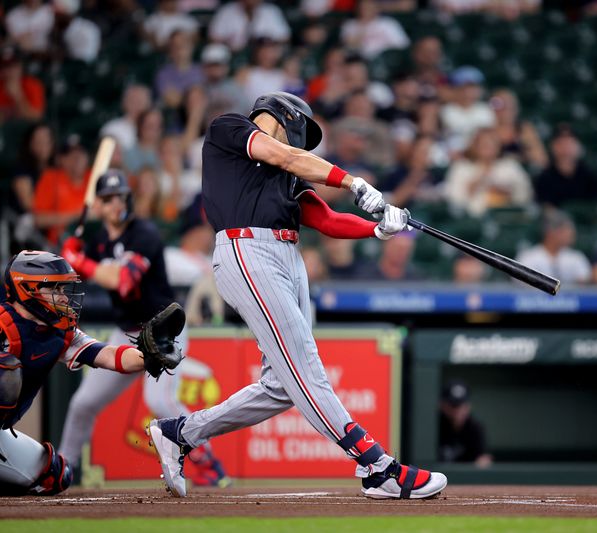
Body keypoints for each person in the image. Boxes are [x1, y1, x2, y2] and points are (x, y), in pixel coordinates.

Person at [147, 92, 447, 500]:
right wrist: (354, 181)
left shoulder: (286, 175)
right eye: (299, 134)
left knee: (281, 386)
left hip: (288, 258)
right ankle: (378, 467)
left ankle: (179, 433)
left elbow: (324, 218)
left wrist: (377, 229)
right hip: (247, 248)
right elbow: (283, 155)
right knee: (306, 367)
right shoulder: (230, 129)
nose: (299, 143)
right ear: (286, 117)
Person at [58, 170, 229, 488]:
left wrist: (78, 260)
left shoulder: (145, 233)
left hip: (163, 329)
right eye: (107, 199)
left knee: (161, 402)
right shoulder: (97, 243)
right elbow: (68, 271)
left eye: (119, 197)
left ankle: (208, 464)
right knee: (83, 403)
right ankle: (63, 469)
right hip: (125, 333)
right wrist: (68, 251)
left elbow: (123, 282)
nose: (115, 204)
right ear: (98, 205)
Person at [0, 251, 161, 495]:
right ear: (28, 289)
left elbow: (108, 355)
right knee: (6, 370)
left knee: (56, 475)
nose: (64, 298)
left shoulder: (59, 332)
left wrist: (151, 356)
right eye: (55, 289)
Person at [443, 127, 532, 216]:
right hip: (473, 219)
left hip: (508, 216)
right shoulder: (461, 167)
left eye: (492, 143)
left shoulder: (510, 166)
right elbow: (454, 199)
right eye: (484, 144)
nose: (488, 147)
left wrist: (508, 192)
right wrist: (472, 187)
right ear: (475, 146)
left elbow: (525, 193)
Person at [32, 136, 90, 244]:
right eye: (70, 154)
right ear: (61, 159)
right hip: (61, 245)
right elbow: (38, 219)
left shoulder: (94, 176)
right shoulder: (51, 178)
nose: (76, 158)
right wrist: (77, 217)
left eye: (81, 153)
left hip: (93, 241)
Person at [534, 123, 597, 207]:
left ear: (578, 146)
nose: (566, 148)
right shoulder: (544, 178)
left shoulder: (590, 176)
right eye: (561, 143)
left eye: (570, 142)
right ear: (553, 146)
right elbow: (545, 207)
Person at [516, 210, 591, 284]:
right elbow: (519, 284)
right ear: (550, 232)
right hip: (536, 296)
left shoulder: (576, 257)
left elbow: (586, 284)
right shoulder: (529, 257)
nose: (570, 235)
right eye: (563, 231)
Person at [440, 66, 496, 154]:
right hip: (451, 156)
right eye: (464, 87)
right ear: (455, 89)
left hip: (479, 155)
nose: (469, 92)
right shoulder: (446, 110)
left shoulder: (485, 110)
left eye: (473, 87)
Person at [438, 381, 492, 467]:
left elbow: (484, 459)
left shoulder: (475, 427)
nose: (458, 410)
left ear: (468, 406)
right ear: (442, 405)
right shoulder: (435, 426)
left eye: (462, 405)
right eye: (453, 405)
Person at [208, 0, 290, 52]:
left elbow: (285, 37)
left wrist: (266, 41)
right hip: (233, 54)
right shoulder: (226, 11)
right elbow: (213, 37)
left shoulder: (271, 11)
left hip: (264, 54)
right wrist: (229, 44)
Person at [340, 0, 410, 60]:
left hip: (385, 61)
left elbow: (402, 46)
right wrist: (363, 28)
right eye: (363, 6)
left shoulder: (388, 23)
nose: (366, 9)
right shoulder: (349, 25)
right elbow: (349, 47)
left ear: (376, 8)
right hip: (360, 61)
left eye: (369, 6)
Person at [154, 30, 203, 110]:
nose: (180, 49)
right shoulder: (163, 74)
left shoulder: (201, 70)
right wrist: (193, 99)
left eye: (183, 45)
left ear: (191, 47)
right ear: (170, 51)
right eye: (175, 46)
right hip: (175, 117)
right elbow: (172, 101)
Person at [200, 43, 249, 116]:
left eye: (218, 65)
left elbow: (246, 110)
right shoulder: (200, 88)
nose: (215, 69)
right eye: (212, 65)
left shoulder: (234, 86)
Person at [100, 85, 153, 151]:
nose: (137, 106)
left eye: (141, 102)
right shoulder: (113, 128)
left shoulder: (155, 130)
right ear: (124, 103)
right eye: (133, 101)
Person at [0, 45, 45, 122]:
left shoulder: (32, 85)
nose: (9, 71)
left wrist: (18, 97)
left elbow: (35, 120)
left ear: (20, 66)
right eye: (5, 66)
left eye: (13, 66)